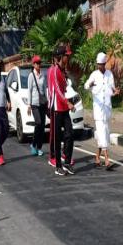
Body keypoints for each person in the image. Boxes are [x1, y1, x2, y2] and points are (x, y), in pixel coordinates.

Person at [84, 52, 119, 168]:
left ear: (105, 64)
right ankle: (107, 159)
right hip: (98, 111)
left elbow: (112, 90)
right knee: (102, 132)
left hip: (107, 109)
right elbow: (85, 86)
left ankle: (97, 158)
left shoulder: (109, 74)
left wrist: (116, 92)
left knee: (104, 133)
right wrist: (90, 84)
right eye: (98, 64)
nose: (100, 66)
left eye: (102, 64)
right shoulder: (94, 75)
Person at [47, 45, 75, 175]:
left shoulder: (63, 70)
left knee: (70, 134)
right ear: (61, 57)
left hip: (64, 108)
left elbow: (64, 88)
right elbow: (57, 90)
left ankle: (67, 162)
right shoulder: (53, 70)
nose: (68, 58)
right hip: (57, 108)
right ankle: (58, 165)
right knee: (57, 138)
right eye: (66, 56)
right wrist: (67, 102)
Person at [26, 55, 47, 156]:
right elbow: (29, 90)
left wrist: (47, 101)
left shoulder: (43, 75)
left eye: (40, 63)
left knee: (42, 126)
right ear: (33, 64)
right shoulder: (31, 76)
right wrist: (29, 105)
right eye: (37, 63)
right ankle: (33, 143)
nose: (39, 65)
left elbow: (45, 90)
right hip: (34, 104)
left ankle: (39, 147)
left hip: (42, 103)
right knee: (38, 123)